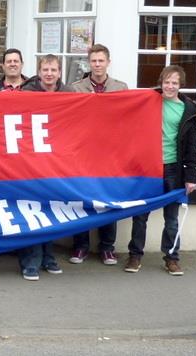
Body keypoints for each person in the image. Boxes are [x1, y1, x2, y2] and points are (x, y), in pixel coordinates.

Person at [126, 65, 196, 276]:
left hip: (173, 168)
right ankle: (135, 255)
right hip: (148, 166)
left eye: (174, 83)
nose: (170, 86)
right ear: (161, 82)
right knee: (141, 215)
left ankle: (172, 257)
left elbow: (191, 147)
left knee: (171, 218)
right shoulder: (148, 101)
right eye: (167, 82)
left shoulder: (188, 111)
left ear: (181, 85)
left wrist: (191, 176)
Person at [67, 44, 130, 266]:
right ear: (88, 63)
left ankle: (107, 248)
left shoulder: (121, 88)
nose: (97, 65)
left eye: (101, 61)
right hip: (83, 153)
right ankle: (81, 246)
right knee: (83, 201)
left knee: (107, 201)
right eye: (93, 61)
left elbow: (126, 121)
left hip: (109, 155)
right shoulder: (76, 88)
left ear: (108, 62)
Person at [17, 54, 70, 280]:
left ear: (59, 72)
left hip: (57, 162)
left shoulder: (70, 96)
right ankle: (32, 259)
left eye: (53, 70)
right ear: (39, 72)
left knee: (51, 210)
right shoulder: (26, 95)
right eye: (45, 69)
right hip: (31, 162)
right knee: (33, 210)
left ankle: (49, 255)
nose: (49, 74)